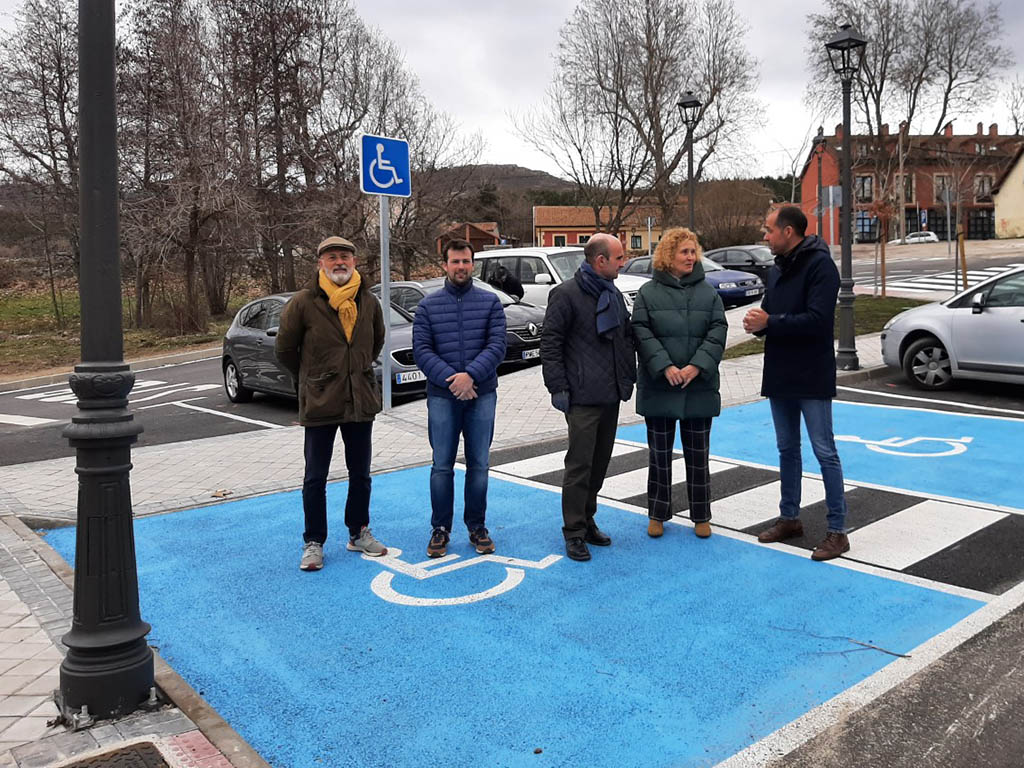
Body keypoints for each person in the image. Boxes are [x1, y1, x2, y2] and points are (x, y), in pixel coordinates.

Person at [742, 205, 850, 561]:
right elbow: (770, 314)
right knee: (787, 449)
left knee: (824, 451)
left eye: (769, 229)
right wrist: (758, 324)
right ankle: (790, 518)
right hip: (780, 373)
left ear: (788, 232)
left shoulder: (821, 266)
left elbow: (818, 321)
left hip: (811, 373)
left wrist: (770, 322)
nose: (765, 235)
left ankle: (837, 531)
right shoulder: (777, 269)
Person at [275, 236, 388, 571]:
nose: (339, 262)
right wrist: (312, 378)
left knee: (360, 473)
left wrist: (356, 369)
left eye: (345, 257)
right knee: (315, 477)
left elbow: (376, 341)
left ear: (354, 262)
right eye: (332, 257)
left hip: (359, 399)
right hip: (320, 401)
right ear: (320, 264)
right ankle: (314, 541)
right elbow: (285, 350)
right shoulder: (303, 302)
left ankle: (358, 532)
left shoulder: (368, 301)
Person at [541, 233, 636, 562]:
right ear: (600, 261)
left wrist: (628, 376)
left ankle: (587, 518)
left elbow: (624, 338)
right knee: (579, 466)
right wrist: (557, 387)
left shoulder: (613, 293)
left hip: (610, 394)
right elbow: (550, 343)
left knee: (599, 465)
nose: (623, 263)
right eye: (619, 257)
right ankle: (574, 532)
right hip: (582, 397)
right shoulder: (565, 294)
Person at [413, 239, 507, 558]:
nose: (461, 267)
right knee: (442, 466)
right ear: (445, 265)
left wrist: (471, 376)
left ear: (473, 264)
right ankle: (440, 528)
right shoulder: (428, 306)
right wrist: (454, 381)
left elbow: (497, 346)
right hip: (443, 396)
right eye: (455, 261)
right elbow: (422, 351)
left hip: (482, 393)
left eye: (466, 261)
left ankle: (477, 526)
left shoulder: (490, 302)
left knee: (479, 464)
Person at [631, 228, 727, 539]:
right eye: (684, 252)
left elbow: (718, 331)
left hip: (698, 387)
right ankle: (657, 513)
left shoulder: (709, 293)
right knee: (659, 457)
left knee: (698, 457)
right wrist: (665, 366)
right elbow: (641, 332)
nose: (690, 257)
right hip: (660, 386)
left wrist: (697, 366)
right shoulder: (647, 293)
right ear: (668, 256)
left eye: (693, 251)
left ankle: (701, 515)